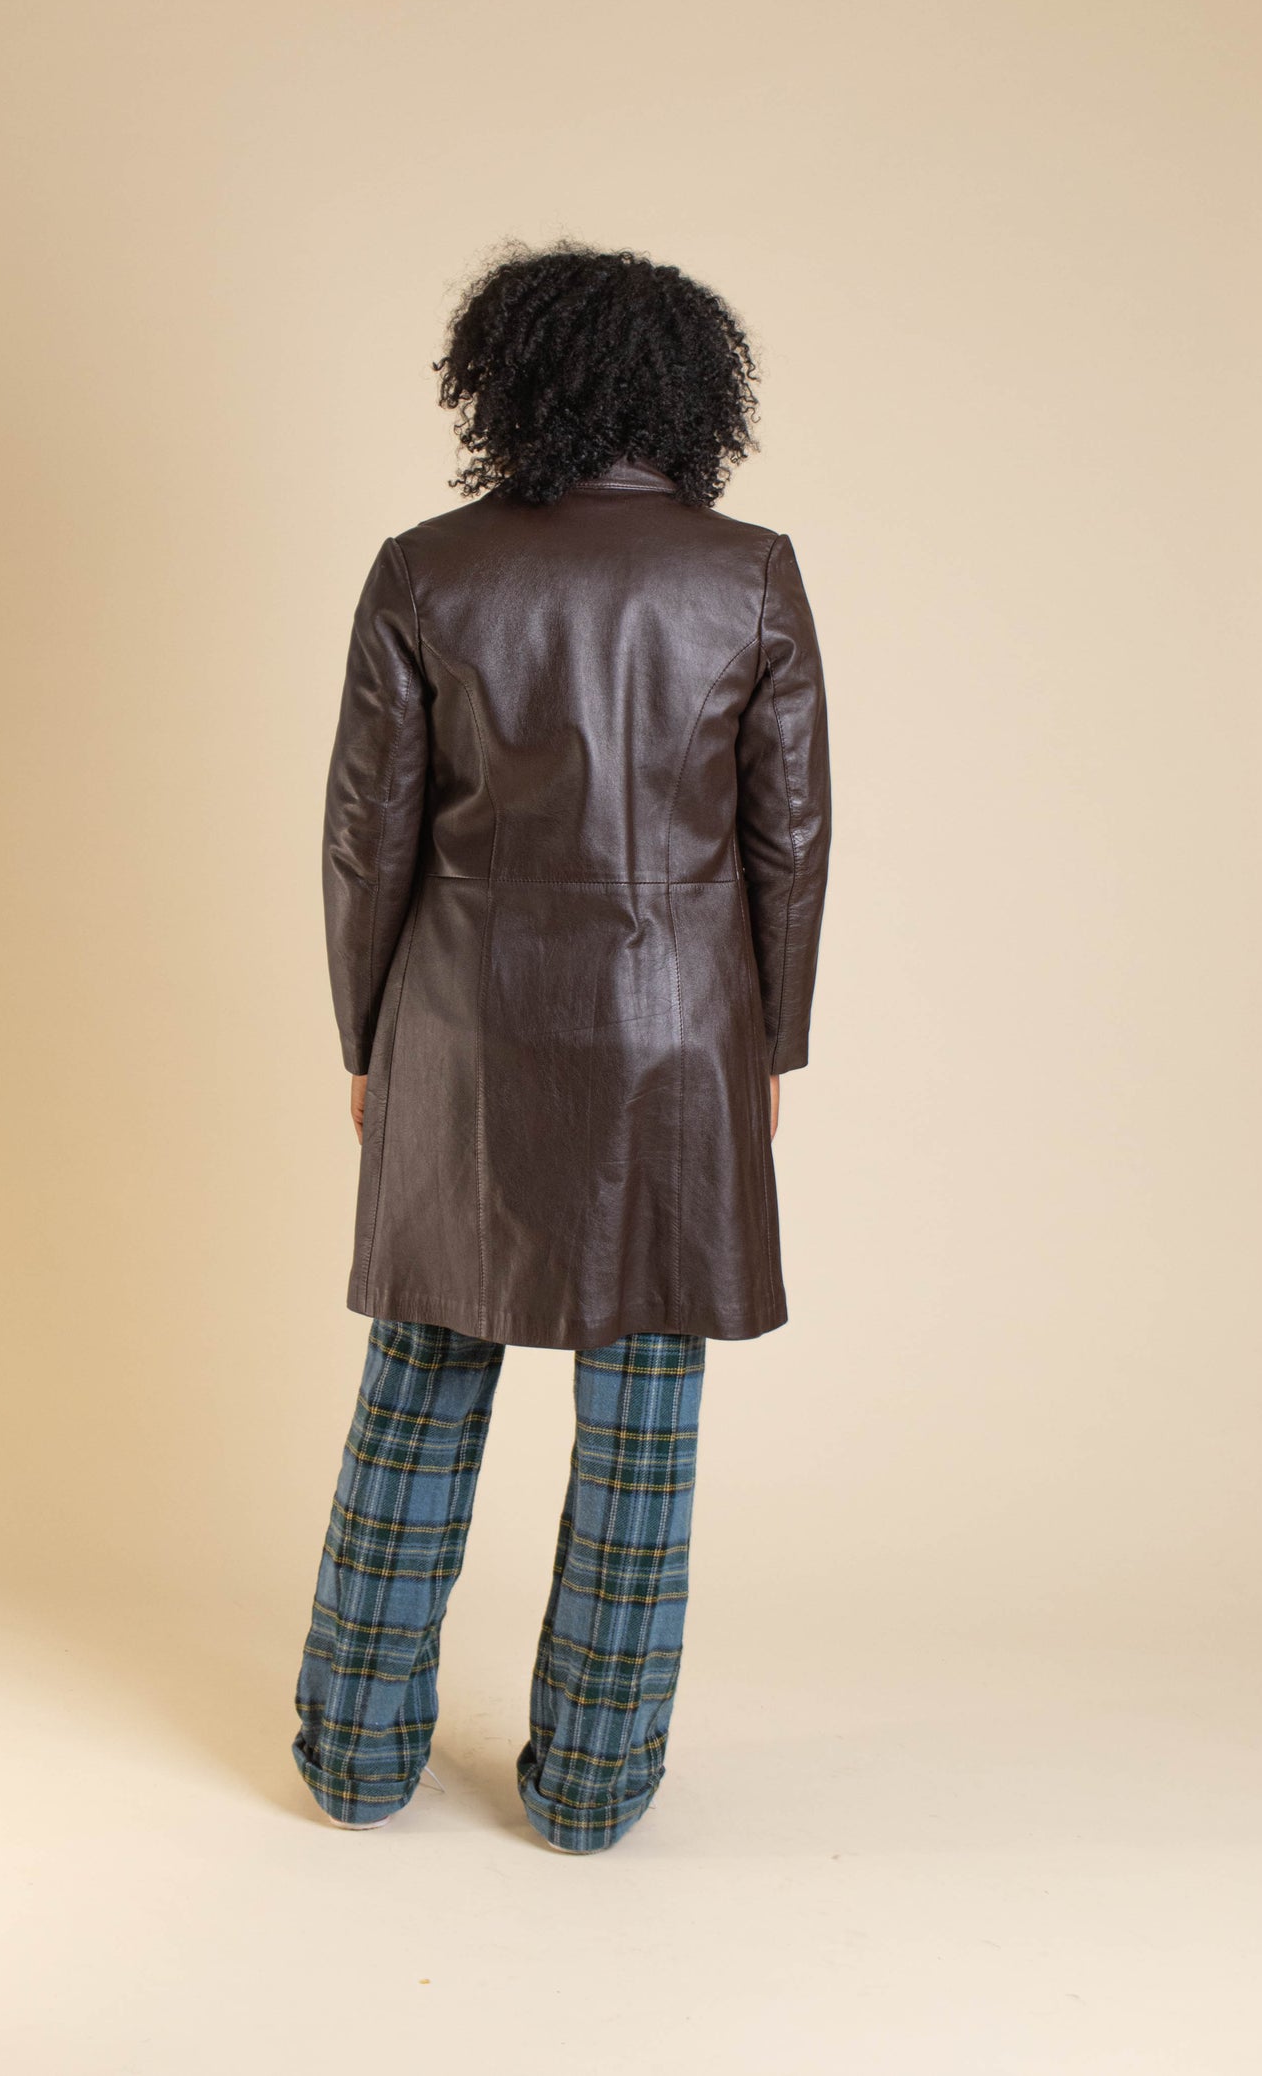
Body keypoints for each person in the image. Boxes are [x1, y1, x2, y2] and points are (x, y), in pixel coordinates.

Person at [292, 242, 832, 1854]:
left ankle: (355, 1763)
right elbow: (790, 840)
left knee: (420, 1386)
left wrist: (367, 1032)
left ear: (510, 385)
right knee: (643, 1424)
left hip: (462, 1022)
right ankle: (594, 1792)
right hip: (677, 1038)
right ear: (691, 395)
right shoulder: (747, 573)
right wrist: (771, 1046)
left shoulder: (426, 569)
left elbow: (365, 838)